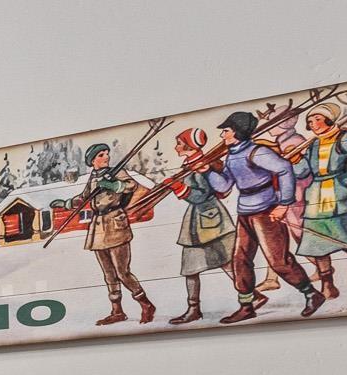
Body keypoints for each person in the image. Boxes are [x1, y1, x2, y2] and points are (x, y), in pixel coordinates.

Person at [213, 110, 322, 323]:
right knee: (240, 260)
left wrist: (284, 203)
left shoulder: (257, 152)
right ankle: (246, 306)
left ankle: (311, 294)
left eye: (226, 131)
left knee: (278, 262)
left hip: (266, 211)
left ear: (237, 132)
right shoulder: (232, 155)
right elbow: (224, 185)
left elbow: (285, 169)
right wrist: (206, 172)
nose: (222, 135)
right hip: (245, 211)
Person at [290, 108, 347, 296]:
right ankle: (328, 285)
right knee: (316, 242)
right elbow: (303, 172)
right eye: (310, 122)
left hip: (338, 194)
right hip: (315, 197)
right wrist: (296, 160)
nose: (313, 125)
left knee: (346, 239)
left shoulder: (344, 138)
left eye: (317, 119)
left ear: (328, 120)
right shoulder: (314, 144)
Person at [163, 125, 244, 325]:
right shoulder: (191, 164)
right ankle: (194, 309)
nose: (176, 147)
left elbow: (201, 195)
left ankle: (250, 296)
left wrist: (179, 188)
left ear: (189, 145)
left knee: (221, 263)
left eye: (179, 143)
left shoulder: (202, 165)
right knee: (197, 267)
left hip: (210, 221)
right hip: (202, 222)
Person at [72, 142, 155, 325]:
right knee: (109, 273)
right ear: (92, 161)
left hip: (115, 223)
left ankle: (146, 304)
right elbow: (85, 196)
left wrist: (113, 185)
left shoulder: (116, 171)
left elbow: (131, 186)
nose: (106, 157)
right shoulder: (93, 176)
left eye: (106, 153)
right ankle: (117, 311)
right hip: (98, 226)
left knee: (122, 272)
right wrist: (67, 203)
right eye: (101, 155)